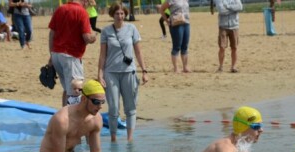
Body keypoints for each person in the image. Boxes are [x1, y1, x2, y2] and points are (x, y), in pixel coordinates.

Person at [39, 79, 107, 152]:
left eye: (103, 102)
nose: (100, 106)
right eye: (96, 102)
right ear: (84, 99)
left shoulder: (96, 120)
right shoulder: (62, 119)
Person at [98, 3, 149, 143]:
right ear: (112, 15)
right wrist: (100, 75)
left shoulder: (132, 29)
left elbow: (138, 52)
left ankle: (129, 140)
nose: (120, 16)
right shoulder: (106, 31)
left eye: (122, 14)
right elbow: (102, 55)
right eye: (117, 14)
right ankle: (113, 139)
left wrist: (144, 71)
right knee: (113, 108)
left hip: (129, 72)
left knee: (130, 108)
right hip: (111, 73)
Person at [48, 0, 97, 107]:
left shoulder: (60, 9)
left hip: (57, 54)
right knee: (75, 91)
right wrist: (93, 38)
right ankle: (72, 120)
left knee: (67, 89)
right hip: (71, 56)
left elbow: (52, 34)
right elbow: (86, 37)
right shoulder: (82, 12)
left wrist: (51, 55)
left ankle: (64, 117)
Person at [210, 0, 243, 73]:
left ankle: (233, 66)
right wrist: (234, 9)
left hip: (234, 26)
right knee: (222, 47)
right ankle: (221, 66)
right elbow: (221, 10)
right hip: (223, 26)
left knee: (234, 48)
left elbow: (240, 7)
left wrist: (227, 6)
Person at [160, 0, 191, 73]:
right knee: (176, 46)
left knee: (185, 46)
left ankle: (185, 67)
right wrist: (167, 21)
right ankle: (176, 68)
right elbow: (162, 9)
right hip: (176, 24)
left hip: (186, 23)